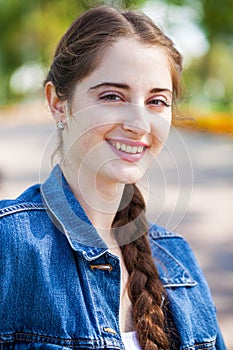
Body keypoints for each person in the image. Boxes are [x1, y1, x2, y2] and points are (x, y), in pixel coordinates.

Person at [0, 5, 226, 350]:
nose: (138, 124)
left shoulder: (178, 259)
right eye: (112, 96)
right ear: (58, 103)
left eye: (156, 101)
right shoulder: (10, 244)